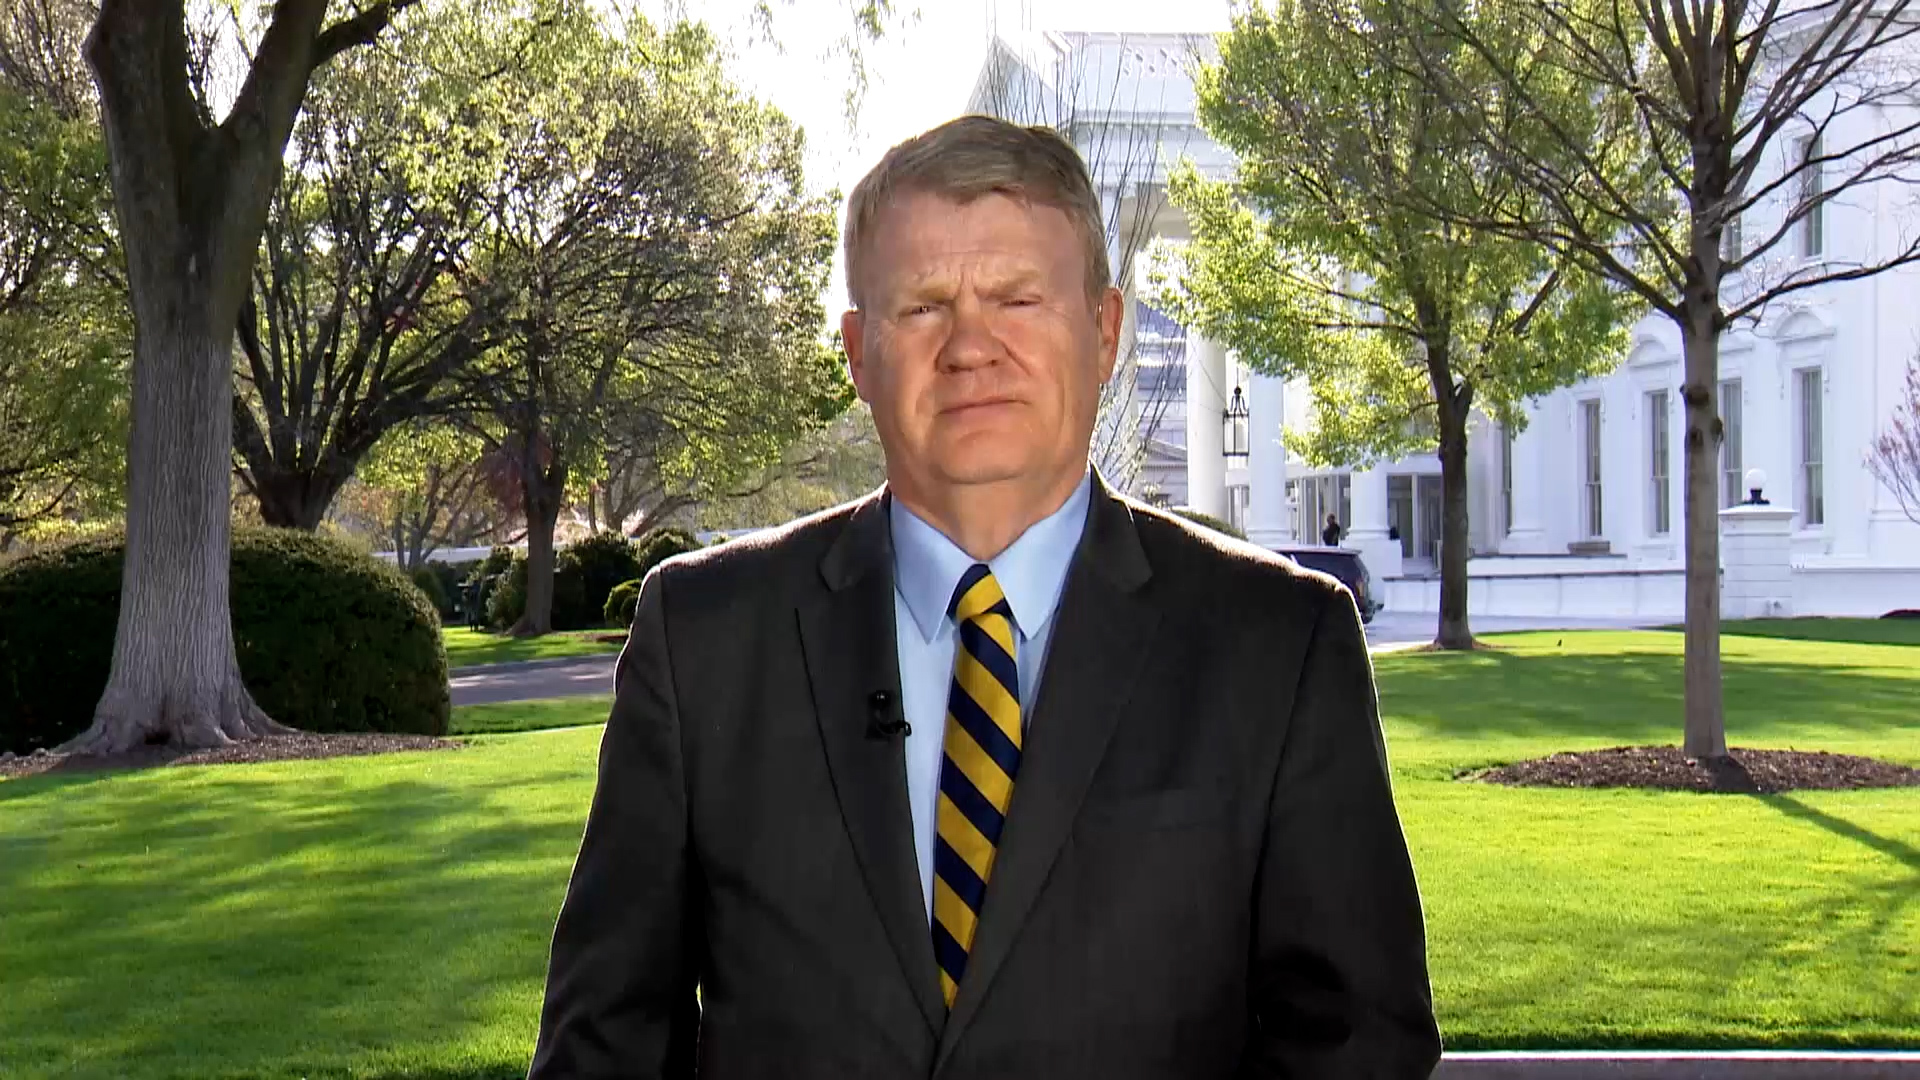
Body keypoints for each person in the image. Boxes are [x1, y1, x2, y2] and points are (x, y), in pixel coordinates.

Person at [527, 115, 1440, 1080]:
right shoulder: (704, 639)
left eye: (1017, 298)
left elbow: (1357, 1048)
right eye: (923, 306)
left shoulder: (1280, 645)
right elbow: (603, 1047)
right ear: (858, 352)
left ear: (1105, 332)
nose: (971, 346)